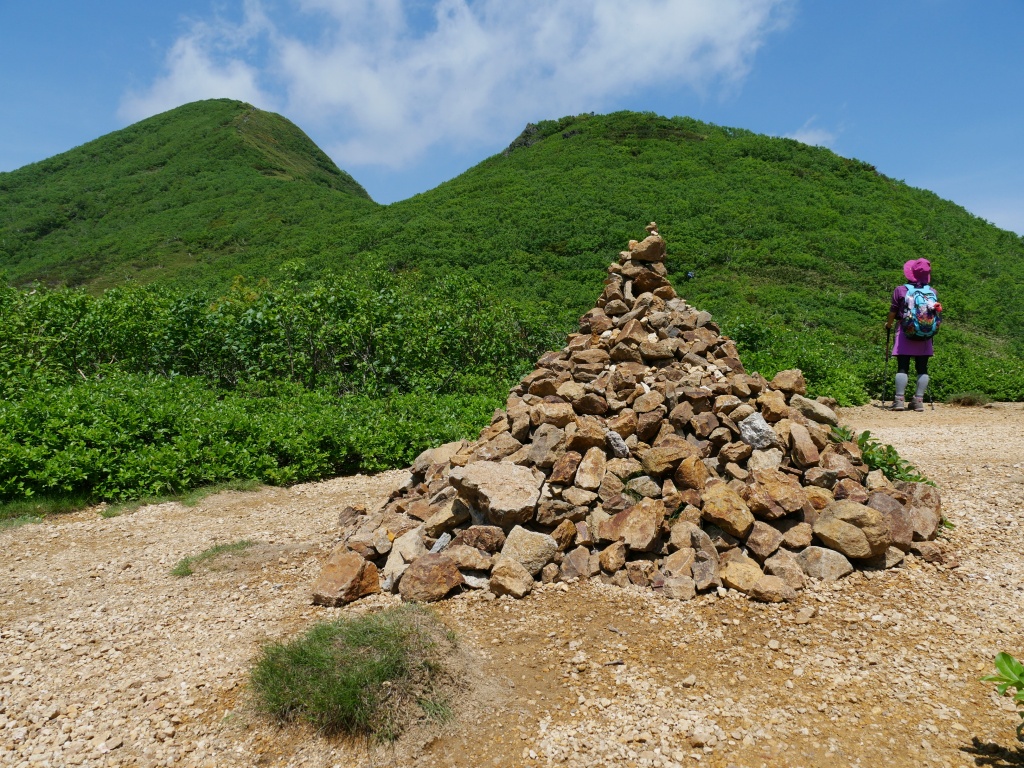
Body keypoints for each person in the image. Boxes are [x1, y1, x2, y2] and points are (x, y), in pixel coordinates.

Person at [884, 258, 935, 411]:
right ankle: (918, 401)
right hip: (925, 333)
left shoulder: (900, 290)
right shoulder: (932, 292)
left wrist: (888, 324)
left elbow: (893, 310)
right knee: (922, 367)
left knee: (902, 366)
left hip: (905, 331)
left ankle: (899, 400)